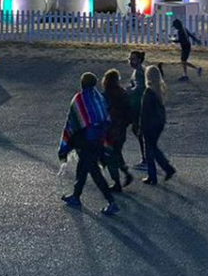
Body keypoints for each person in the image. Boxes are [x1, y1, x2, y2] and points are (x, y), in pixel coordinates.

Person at [57, 72, 118, 215]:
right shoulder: (99, 98)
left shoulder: (79, 99)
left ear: (82, 84)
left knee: (95, 173)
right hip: (98, 141)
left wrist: (66, 145)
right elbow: (106, 118)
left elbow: (71, 122)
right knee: (82, 169)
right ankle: (76, 195)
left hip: (85, 143)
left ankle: (111, 201)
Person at [139, 65, 175, 185]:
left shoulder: (148, 92)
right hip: (158, 123)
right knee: (153, 148)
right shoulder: (159, 90)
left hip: (149, 125)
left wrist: (141, 127)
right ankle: (165, 169)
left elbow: (144, 113)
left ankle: (153, 175)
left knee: (149, 150)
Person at [101, 69, 134, 191]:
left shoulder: (105, 95)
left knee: (110, 156)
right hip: (121, 129)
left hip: (109, 131)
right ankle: (126, 173)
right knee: (117, 152)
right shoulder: (123, 93)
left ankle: (116, 182)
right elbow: (129, 111)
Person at [127, 51, 148, 169]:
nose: (130, 61)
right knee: (138, 131)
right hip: (138, 105)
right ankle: (146, 158)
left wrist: (128, 91)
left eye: (133, 59)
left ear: (139, 59)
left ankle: (145, 159)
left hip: (138, 106)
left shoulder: (139, 71)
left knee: (139, 131)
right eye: (130, 59)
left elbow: (140, 88)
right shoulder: (138, 70)